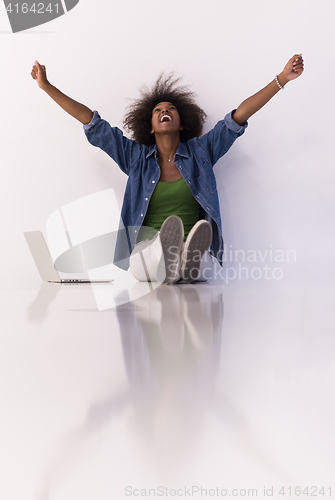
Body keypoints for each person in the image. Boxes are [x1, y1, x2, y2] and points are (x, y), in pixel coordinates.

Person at [31, 55, 304, 284]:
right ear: (150, 126)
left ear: (181, 122)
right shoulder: (136, 158)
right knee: (149, 257)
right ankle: (170, 259)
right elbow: (91, 122)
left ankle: (185, 257)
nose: (165, 111)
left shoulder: (201, 152)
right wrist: (47, 86)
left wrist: (281, 79)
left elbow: (238, 117)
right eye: (158, 110)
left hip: (191, 256)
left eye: (171, 109)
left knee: (193, 262)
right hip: (146, 256)